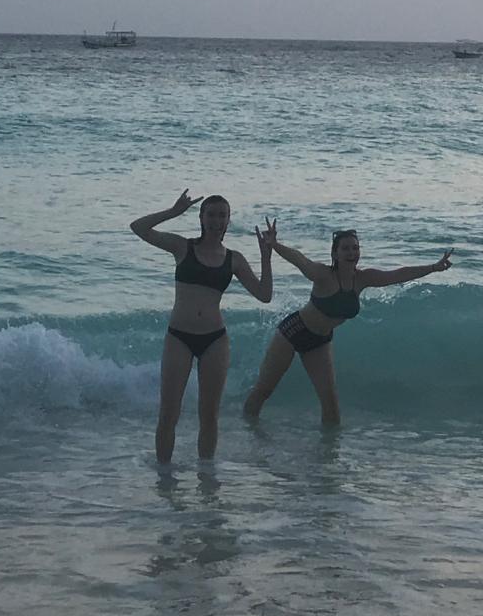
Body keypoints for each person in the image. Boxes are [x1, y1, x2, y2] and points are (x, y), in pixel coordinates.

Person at [242, 229, 453, 424]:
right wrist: (275, 244)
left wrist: (433, 267)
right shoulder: (323, 275)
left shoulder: (362, 278)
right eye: (345, 248)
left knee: (331, 405)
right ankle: (247, 433)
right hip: (293, 332)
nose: (351, 252)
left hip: (320, 341)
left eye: (355, 247)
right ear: (335, 254)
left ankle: (329, 456)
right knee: (264, 390)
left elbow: (398, 274)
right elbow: (300, 260)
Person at [130, 189, 274, 463]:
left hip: (215, 340)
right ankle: (165, 480)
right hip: (179, 337)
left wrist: (266, 256)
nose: (216, 220)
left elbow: (264, 295)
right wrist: (173, 212)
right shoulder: (183, 247)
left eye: (222, 215)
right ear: (201, 217)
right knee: (168, 413)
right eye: (211, 214)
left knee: (208, 416)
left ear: (228, 221)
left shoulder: (234, 259)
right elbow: (139, 227)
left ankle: (206, 481)